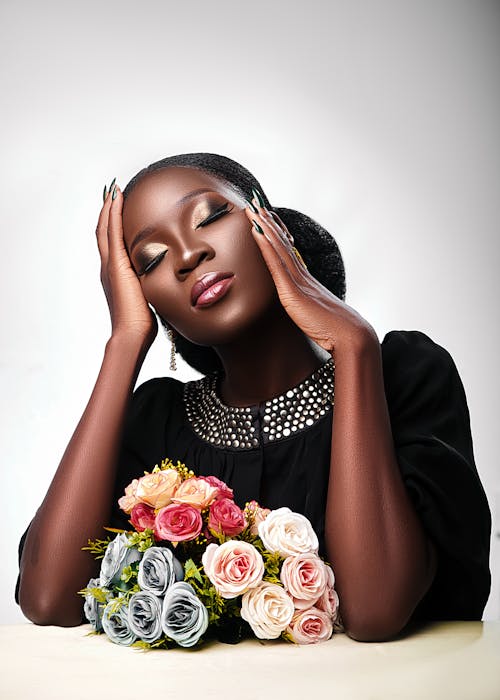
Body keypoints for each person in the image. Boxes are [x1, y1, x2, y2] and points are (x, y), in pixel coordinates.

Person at [15, 153, 491, 641]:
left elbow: (375, 611)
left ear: (272, 225)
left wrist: (353, 346)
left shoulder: (403, 375)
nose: (186, 257)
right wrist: (125, 341)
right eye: (151, 261)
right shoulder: (157, 421)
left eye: (211, 217)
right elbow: (47, 599)